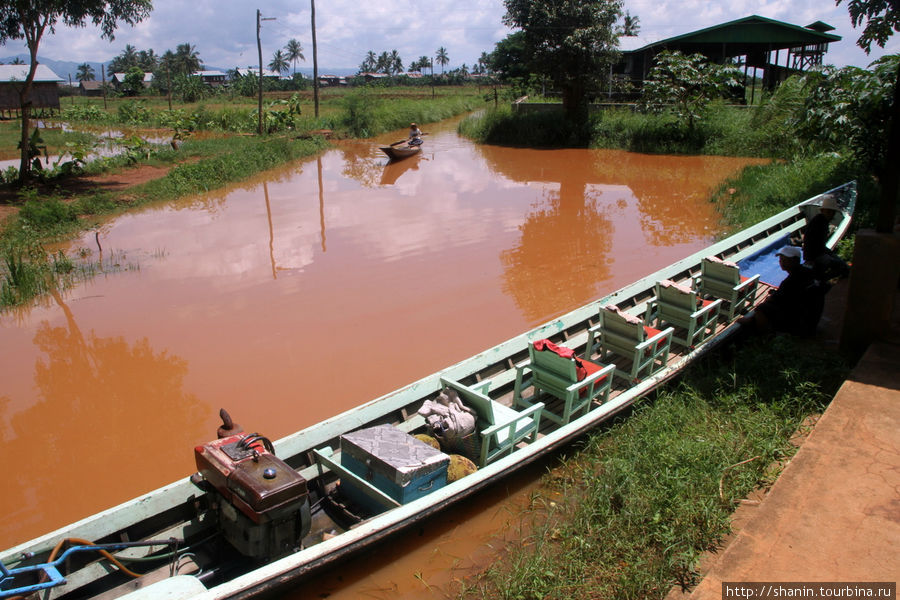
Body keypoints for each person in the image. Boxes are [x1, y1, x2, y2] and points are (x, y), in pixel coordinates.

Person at [736, 245, 825, 337]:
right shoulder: (807, 272)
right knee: (771, 302)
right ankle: (752, 321)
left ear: (795, 261)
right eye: (780, 260)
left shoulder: (791, 281)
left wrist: (770, 299)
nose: (781, 262)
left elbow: (775, 300)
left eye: (785, 260)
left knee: (762, 308)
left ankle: (764, 335)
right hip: (810, 315)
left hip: (800, 319)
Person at [801, 194, 849, 280]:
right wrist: (830, 254)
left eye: (832, 212)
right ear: (823, 211)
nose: (831, 214)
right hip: (814, 256)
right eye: (828, 212)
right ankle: (822, 279)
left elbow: (820, 245)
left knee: (839, 263)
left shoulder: (822, 220)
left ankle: (823, 278)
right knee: (842, 267)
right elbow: (817, 247)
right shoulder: (820, 222)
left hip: (816, 253)